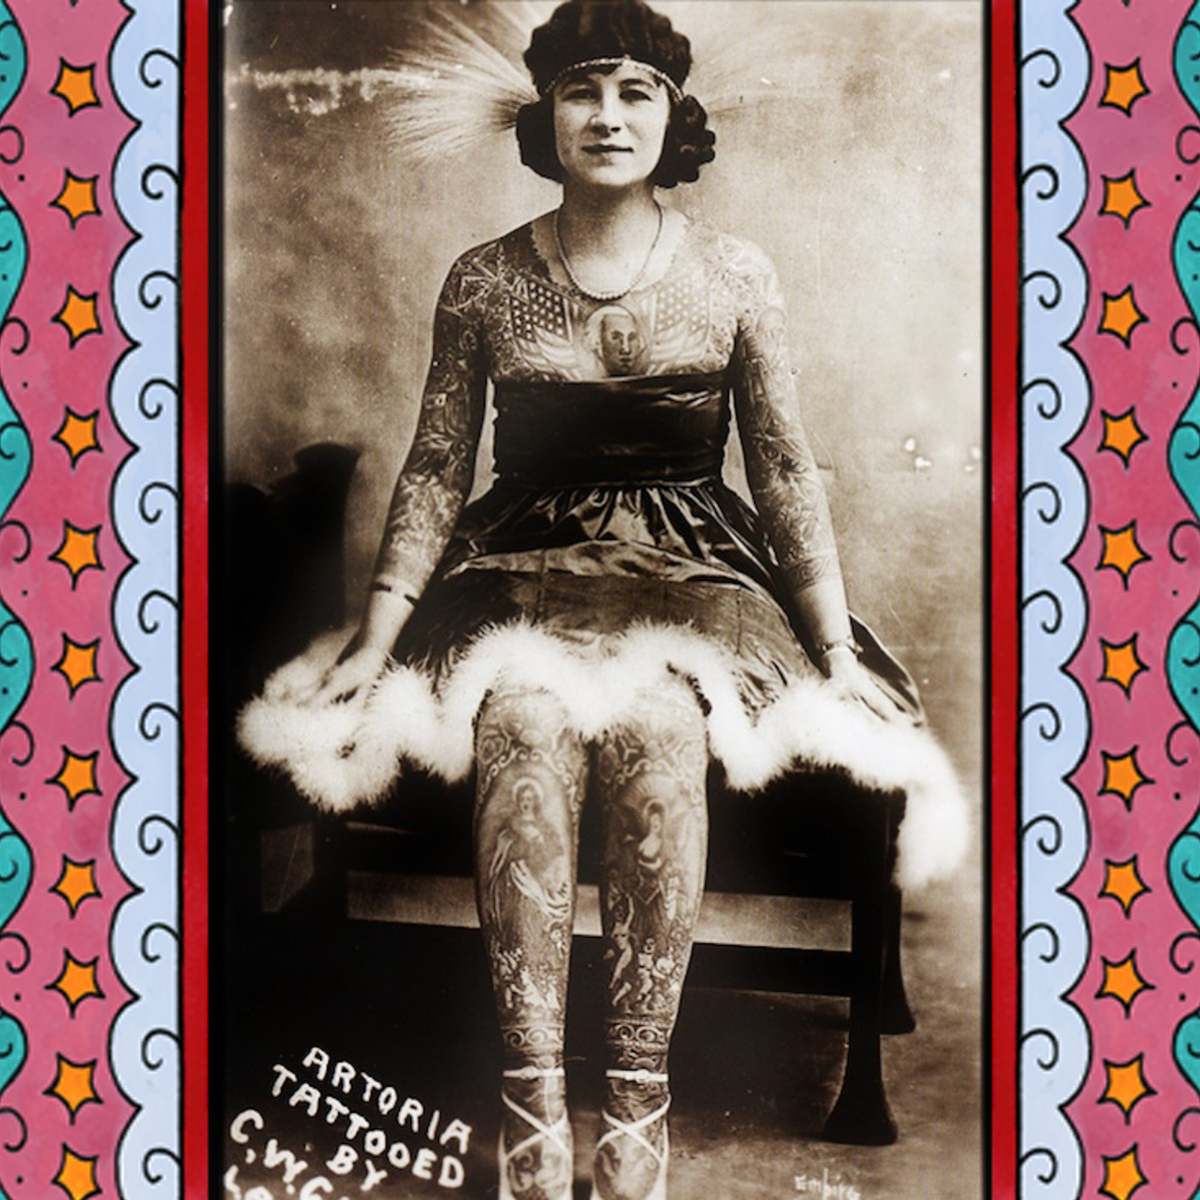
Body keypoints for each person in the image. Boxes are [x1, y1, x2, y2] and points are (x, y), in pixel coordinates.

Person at [240, 2, 966, 1196]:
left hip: (694, 566)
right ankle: (532, 1107)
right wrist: (376, 636)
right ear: (547, 114)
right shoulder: (483, 279)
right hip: (521, 558)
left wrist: (835, 652)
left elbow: (785, 470)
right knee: (520, 720)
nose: (609, 116)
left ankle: (635, 1112)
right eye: (583, 90)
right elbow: (436, 466)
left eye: (635, 92)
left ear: (674, 115)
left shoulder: (736, 274)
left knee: (660, 725)